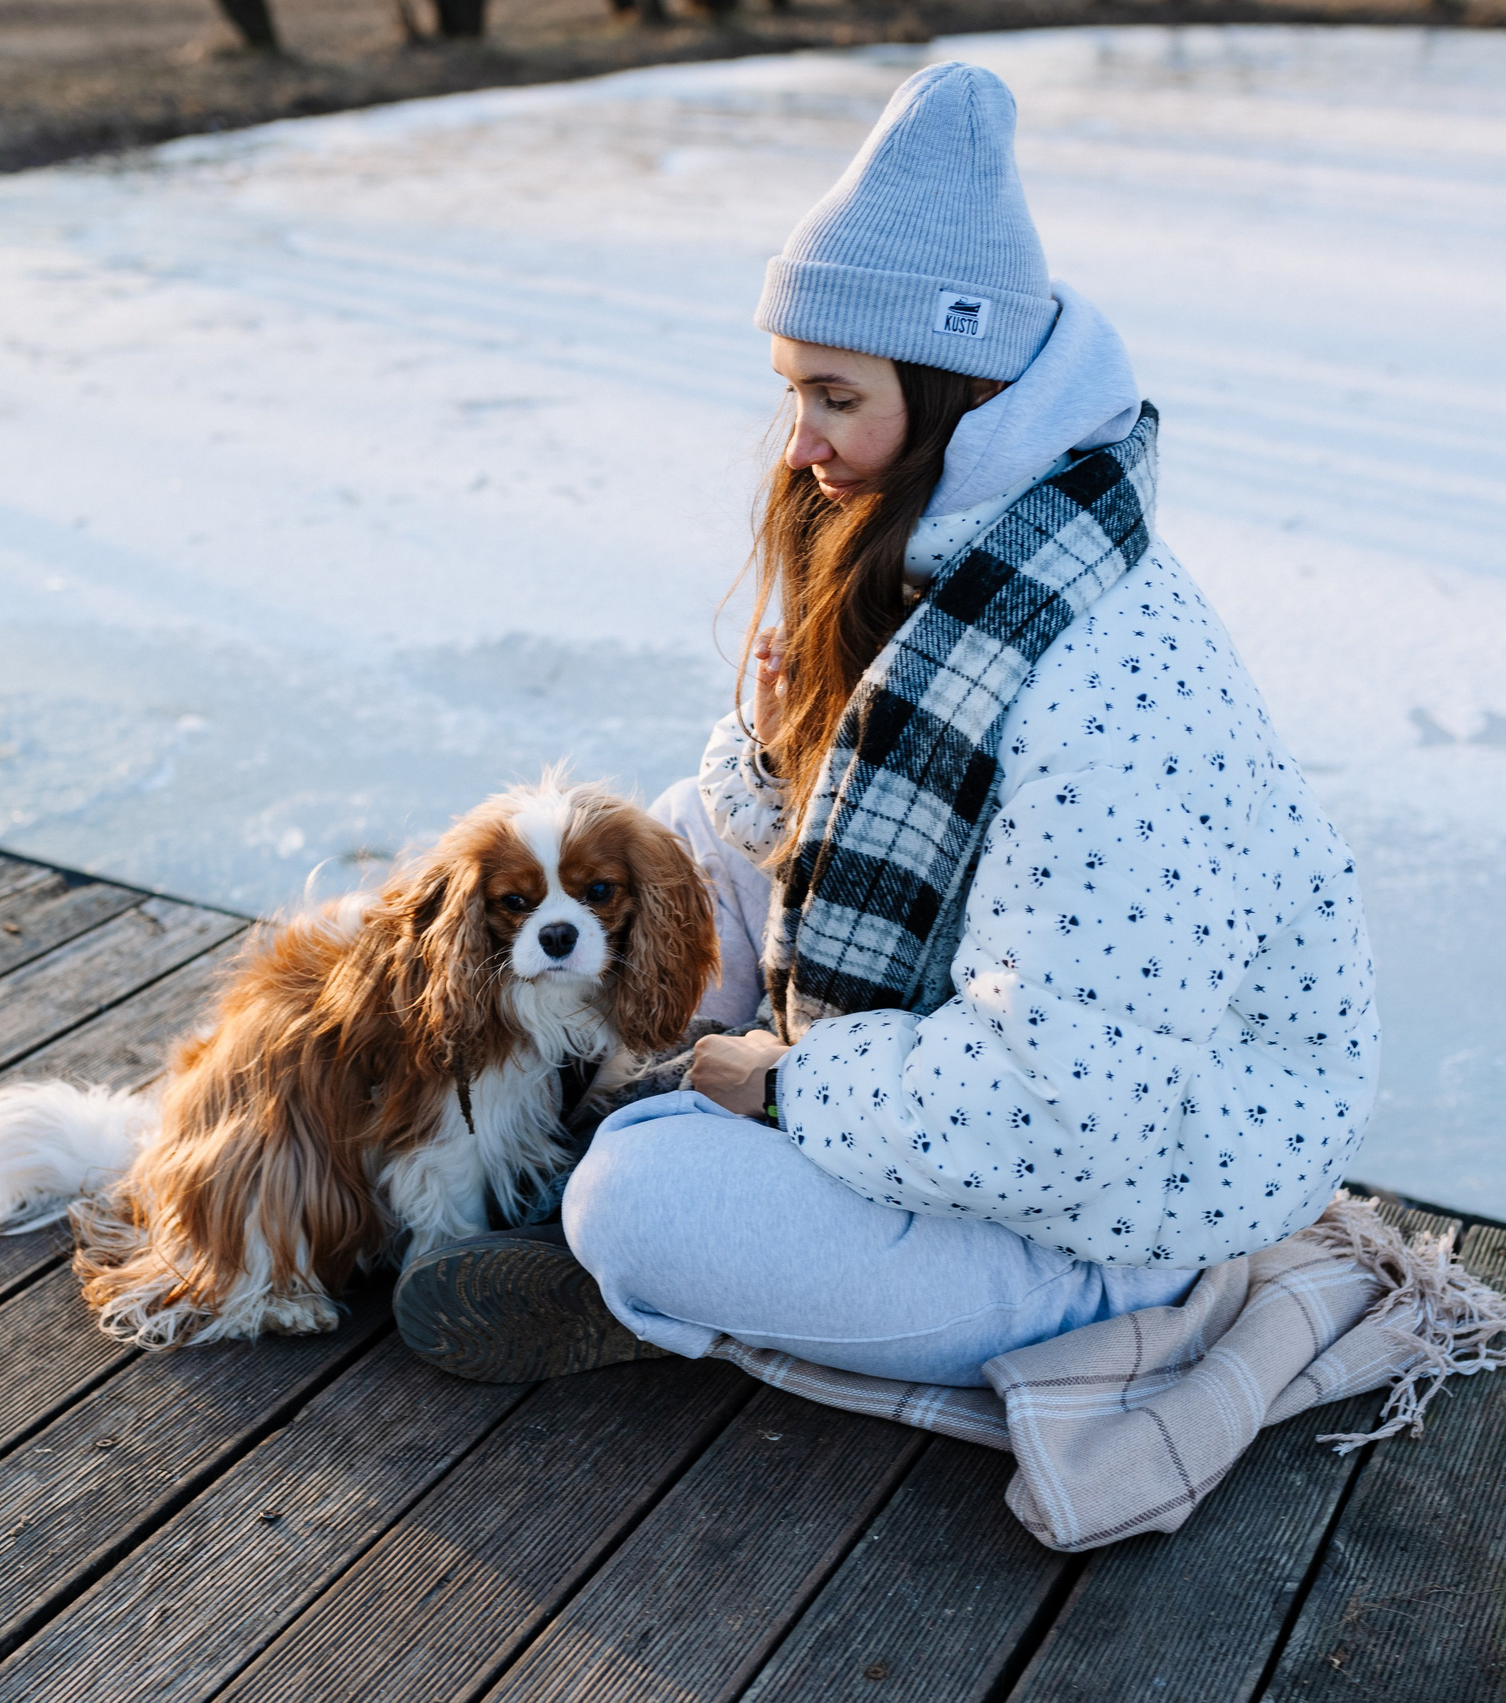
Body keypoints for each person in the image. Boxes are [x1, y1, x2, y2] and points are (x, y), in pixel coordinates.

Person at [394, 60, 1380, 1388]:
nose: (798, 443)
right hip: (967, 1091)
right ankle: (645, 1172)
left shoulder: (1112, 699)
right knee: (678, 841)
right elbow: (835, 858)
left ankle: (664, 1243)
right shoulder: (959, 569)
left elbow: (1065, 1109)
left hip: (1115, 1213)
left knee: (633, 1197)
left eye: (837, 397)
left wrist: (787, 1089)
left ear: (954, 390)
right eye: (793, 392)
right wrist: (780, 749)